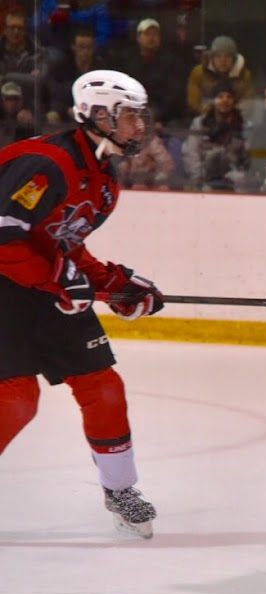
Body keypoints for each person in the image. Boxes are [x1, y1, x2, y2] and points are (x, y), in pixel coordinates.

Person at [0, 69, 165, 538]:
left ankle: (120, 489)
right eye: (129, 116)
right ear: (96, 114)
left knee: (104, 386)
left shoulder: (105, 180)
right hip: (3, 285)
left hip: (42, 285)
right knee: (15, 400)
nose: (139, 127)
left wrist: (117, 286)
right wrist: (59, 280)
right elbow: (3, 235)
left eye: (140, 116)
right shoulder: (46, 163)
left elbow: (64, 244)